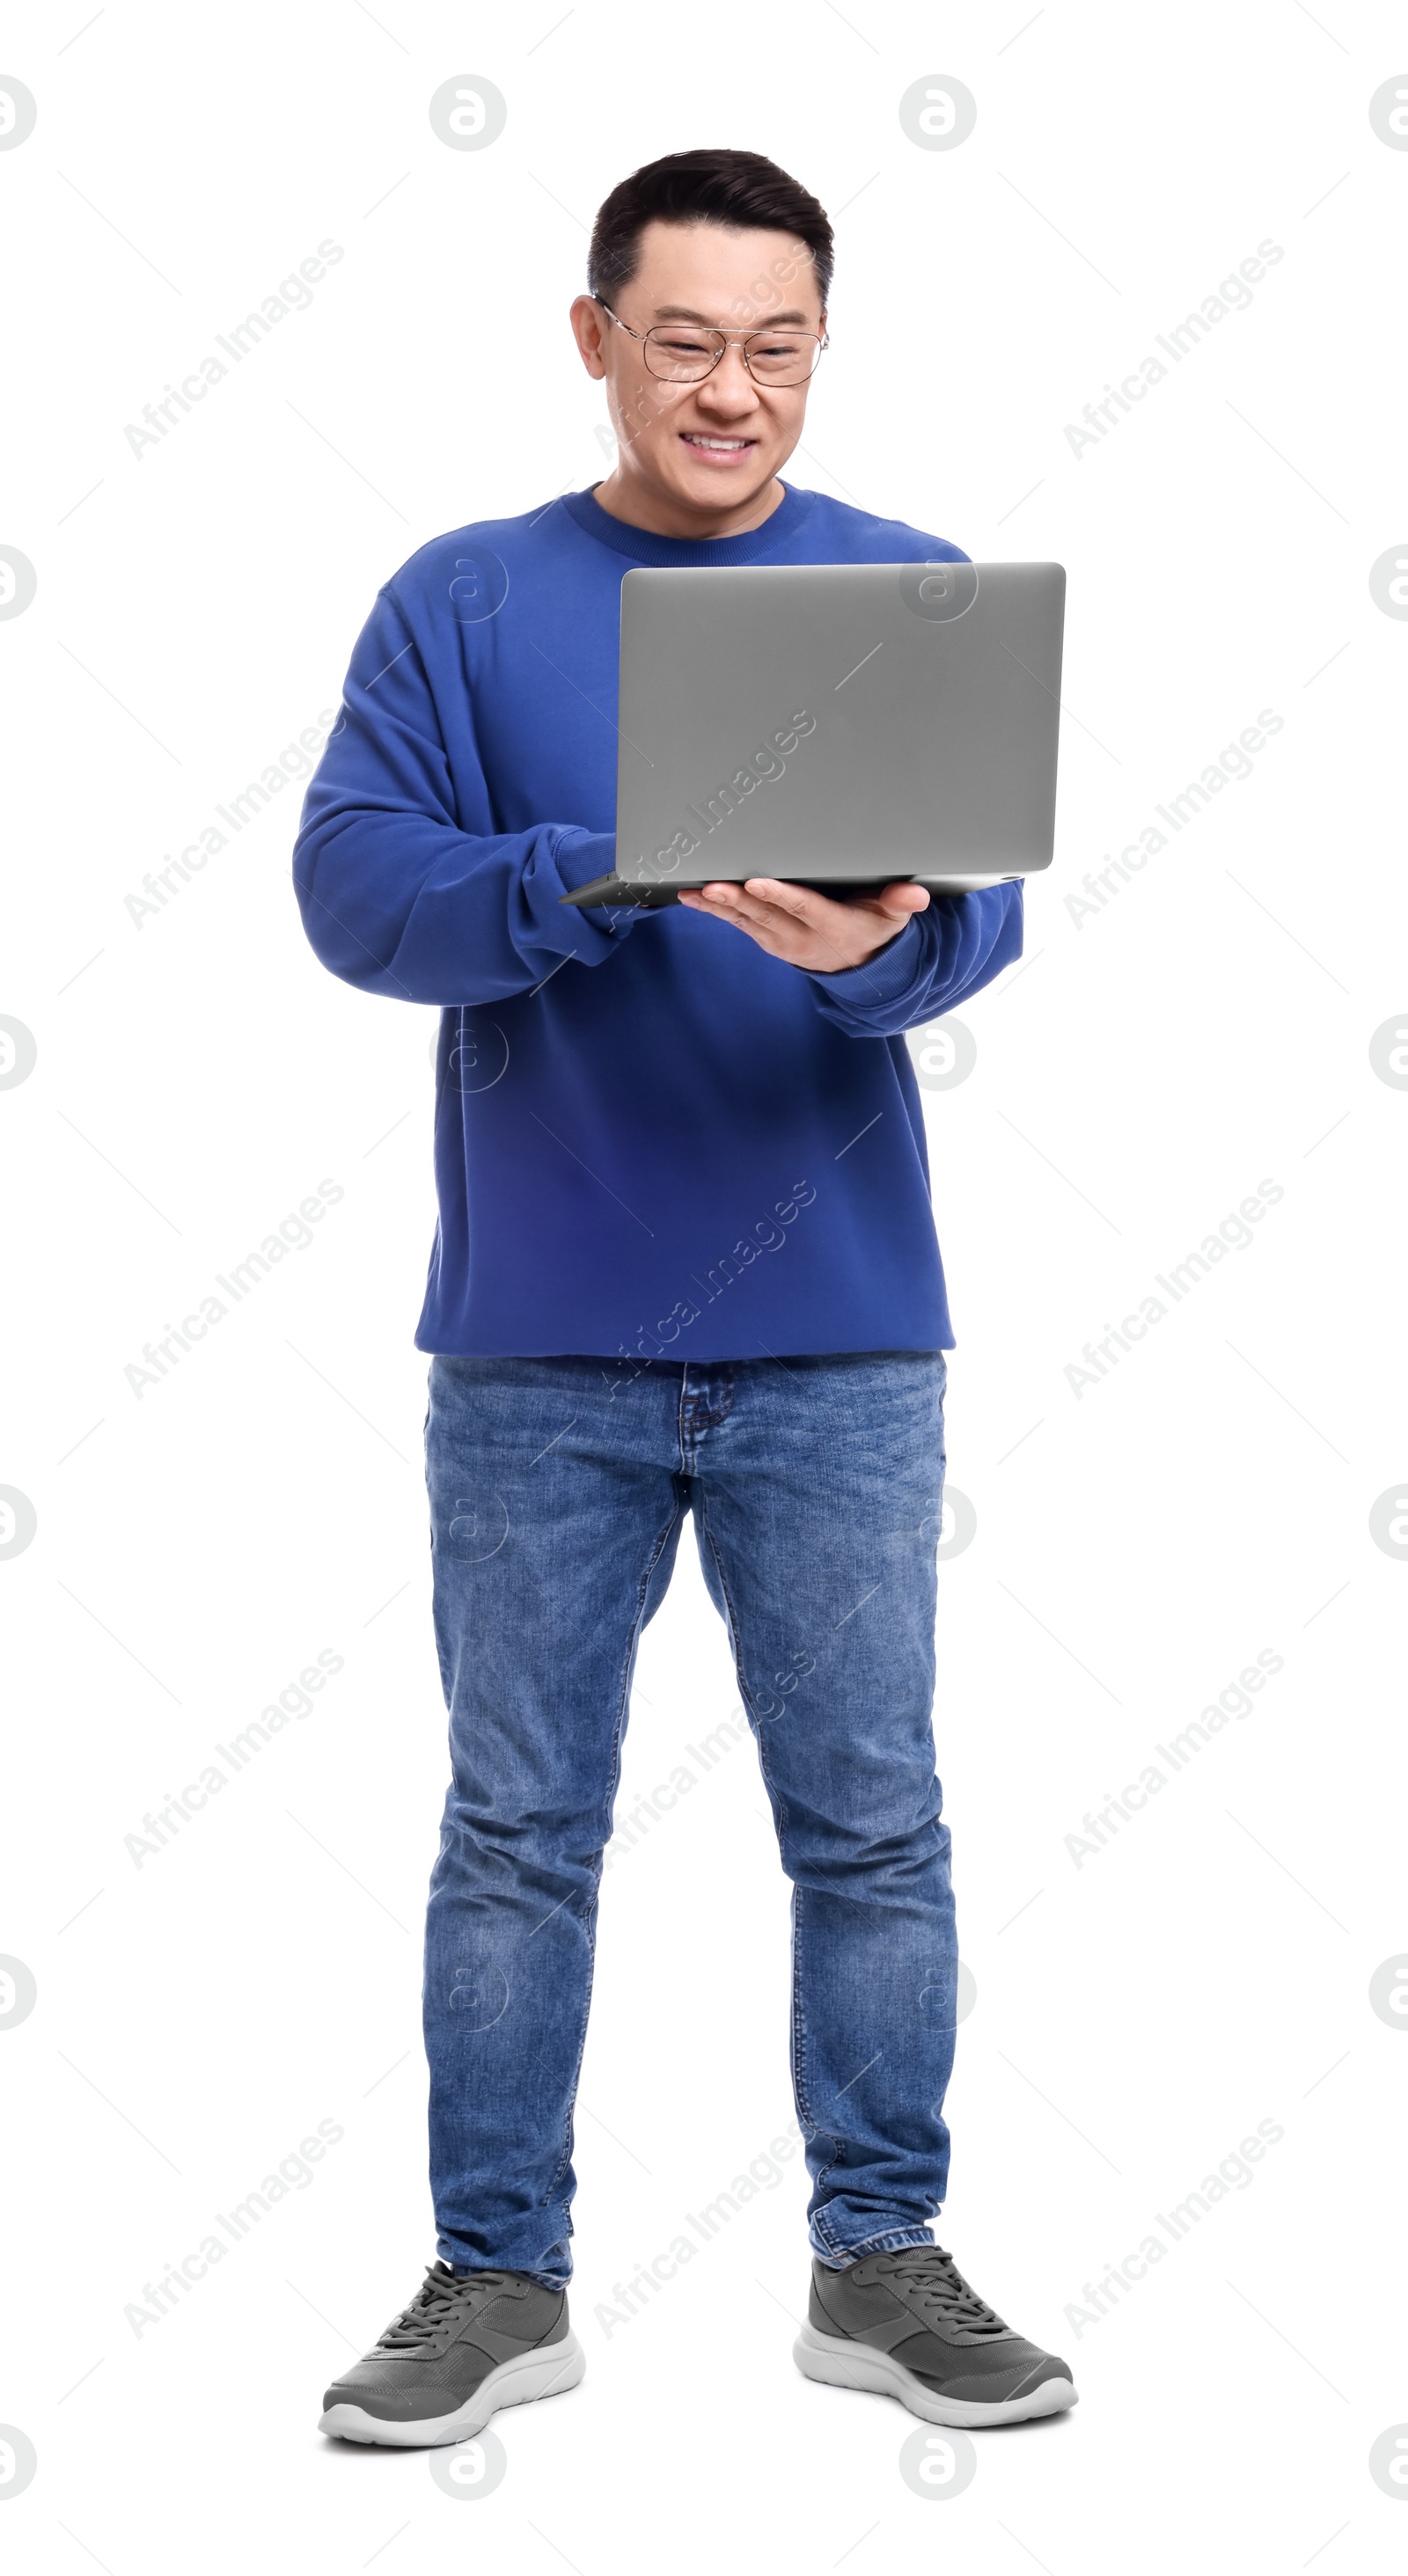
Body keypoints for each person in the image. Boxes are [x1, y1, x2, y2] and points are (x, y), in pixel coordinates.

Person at [295, 146, 1077, 2448]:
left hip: (842, 1331)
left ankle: (883, 2258)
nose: (732, 389)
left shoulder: (906, 593)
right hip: (535, 1338)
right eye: (684, 340)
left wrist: (892, 951)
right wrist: (595, 869)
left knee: (875, 1821)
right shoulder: (464, 602)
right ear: (595, 339)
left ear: (817, 345)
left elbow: (976, 917)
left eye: (778, 343)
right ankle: (493, 2277)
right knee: (516, 1829)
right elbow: (359, 897)